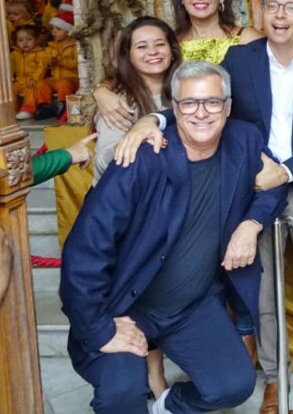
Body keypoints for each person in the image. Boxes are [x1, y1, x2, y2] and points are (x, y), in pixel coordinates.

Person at [115, 0, 293, 414]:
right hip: (252, 192)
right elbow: (203, 100)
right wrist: (158, 121)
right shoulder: (239, 60)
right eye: (273, 6)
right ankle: (272, 378)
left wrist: (285, 172)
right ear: (261, 12)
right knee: (259, 294)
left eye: (292, 7)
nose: (281, 15)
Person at [60, 60, 281, 414]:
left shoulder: (244, 139)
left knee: (234, 385)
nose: (202, 113)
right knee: (120, 396)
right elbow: (83, 253)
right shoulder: (140, 161)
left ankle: (166, 406)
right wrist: (101, 329)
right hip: (127, 309)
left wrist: (251, 225)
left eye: (212, 102)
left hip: (191, 307)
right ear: (174, 109)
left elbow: (275, 184)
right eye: (189, 103)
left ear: (227, 106)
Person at [92, 0, 293, 130]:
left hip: (240, 134)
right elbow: (128, 72)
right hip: (182, 131)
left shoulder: (245, 38)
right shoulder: (170, 44)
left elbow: (286, 56)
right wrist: (100, 92)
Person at [93, 17, 182, 182]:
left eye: (160, 44)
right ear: (129, 56)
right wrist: (136, 143)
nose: (153, 51)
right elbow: (104, 161)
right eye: (142, 47)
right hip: (129, 195)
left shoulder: (186, 91)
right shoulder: (119, 101)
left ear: (172, 50)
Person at [10, 25, 55, 120]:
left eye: (29, 39)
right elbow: (11, 67)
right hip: (20, 81)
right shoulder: (15, 54)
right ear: (16, 42)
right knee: (10, 89)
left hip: (33, 81)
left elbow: (41, 67)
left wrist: (35, 78)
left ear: (37, 40)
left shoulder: (41, 53)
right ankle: (11, 110)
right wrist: (10, 77)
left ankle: (28, 110)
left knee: (30, 89)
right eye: (20, 40)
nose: (25, 43)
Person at [44, 11, 80, 109]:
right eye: (53, 29)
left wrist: (61, 62)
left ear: (68, 32)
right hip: (56, 78)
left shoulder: (75, 46)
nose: (53, 31)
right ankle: (44, 106)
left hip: (71, 79)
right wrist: (49, 63)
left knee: (63, 84)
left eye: (58, 29)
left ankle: (63, 105)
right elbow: (45, 62)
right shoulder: (51, 46)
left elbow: (78, 63)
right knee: (40, 84)